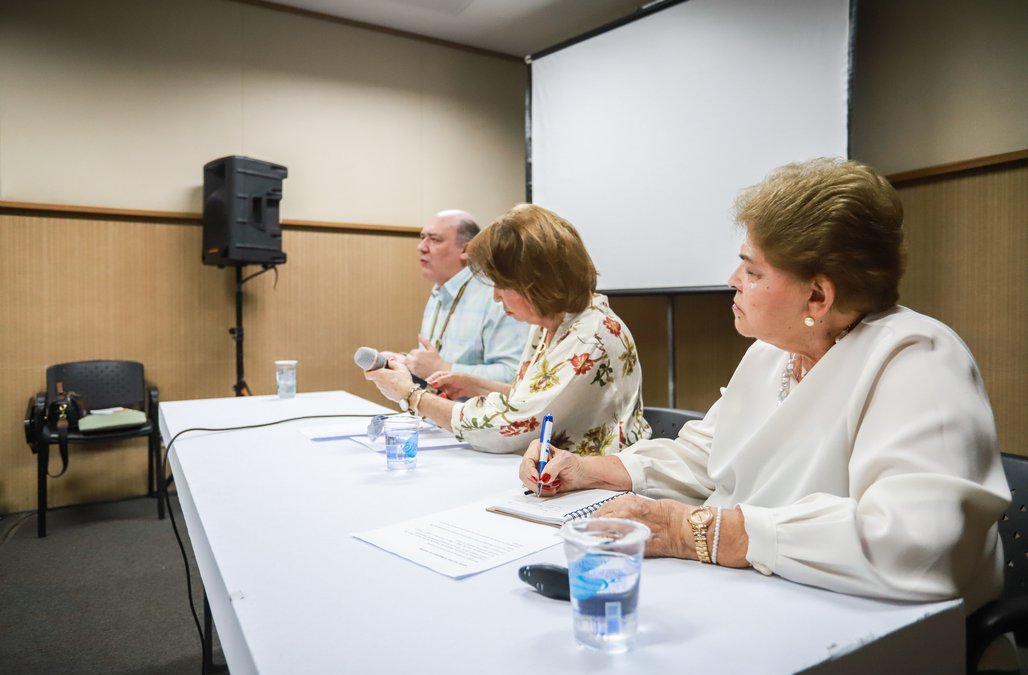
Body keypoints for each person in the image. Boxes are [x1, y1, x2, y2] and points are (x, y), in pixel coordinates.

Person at [519, 159, 1011, 623]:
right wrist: (587, 470)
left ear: (818, 295)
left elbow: (917, 543)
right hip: (764, 600)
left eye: (752, 271)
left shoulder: (916, 359)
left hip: (880, 636)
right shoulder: (773, 351)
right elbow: (711, 452)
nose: (732, 281)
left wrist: (689, 531)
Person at [365, 203, 651, 454]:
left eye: (504, 285)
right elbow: (537, 399)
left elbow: (508, 427)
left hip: (595, 493)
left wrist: (411, 395)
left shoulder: (591, 337)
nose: (496, 296)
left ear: (538, 281)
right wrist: (475, 384)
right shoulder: (552, 324)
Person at [385, 209, 529, 385]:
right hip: (432, 408)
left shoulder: (497, 295)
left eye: (434, 239)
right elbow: (432, 362)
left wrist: (444, 369)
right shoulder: (439, 291)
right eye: (422, 237)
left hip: (476, 412)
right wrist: (405, 362)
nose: (421, 247)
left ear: (466, 249)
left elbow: (514, 374)